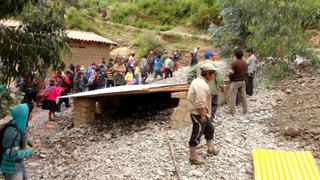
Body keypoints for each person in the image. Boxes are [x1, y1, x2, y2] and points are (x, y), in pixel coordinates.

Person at [187, 63, 219, 165]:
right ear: (208, 74)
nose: (214, 76)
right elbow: (200, 103)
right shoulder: (201, 85)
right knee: (197, 133)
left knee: (209, 128)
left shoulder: (199, 81)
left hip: (203, 112)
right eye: (213, 74)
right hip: (198, 112)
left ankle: (210, 149)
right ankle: (192, 157)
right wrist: (202, 116)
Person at [1, 103, 35, 180]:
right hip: (11, 168)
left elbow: (21, 135)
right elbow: (13, 155)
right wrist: (29, 151)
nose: (32, 115)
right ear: (24, 115)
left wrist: (28, 141)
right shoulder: (13, 132)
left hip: (18, 163)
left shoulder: (17, 124)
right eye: (31, 112)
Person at [187, 50, 225, 117]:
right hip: (212, 90)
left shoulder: (198, 65)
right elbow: (219, 77)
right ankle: (209, 118)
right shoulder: (214, 65)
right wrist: (222, 86)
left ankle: (206, 118)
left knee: (204, 105)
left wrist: (191, 83)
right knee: (214, 105)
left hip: (200, 90)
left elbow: (189, 74)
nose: (214, 57)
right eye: (213, 56)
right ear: (210, 56)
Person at [229, 48, 248, 115]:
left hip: (235, 82)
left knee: (233, 96)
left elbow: (231, 73)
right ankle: (245, 110)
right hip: (242, 81)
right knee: (243, 96)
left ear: (235, 55)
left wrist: (230, 80)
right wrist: (244, 78)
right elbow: (246, 73)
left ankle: (232, 111)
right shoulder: (245, 63)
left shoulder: (234, 63)